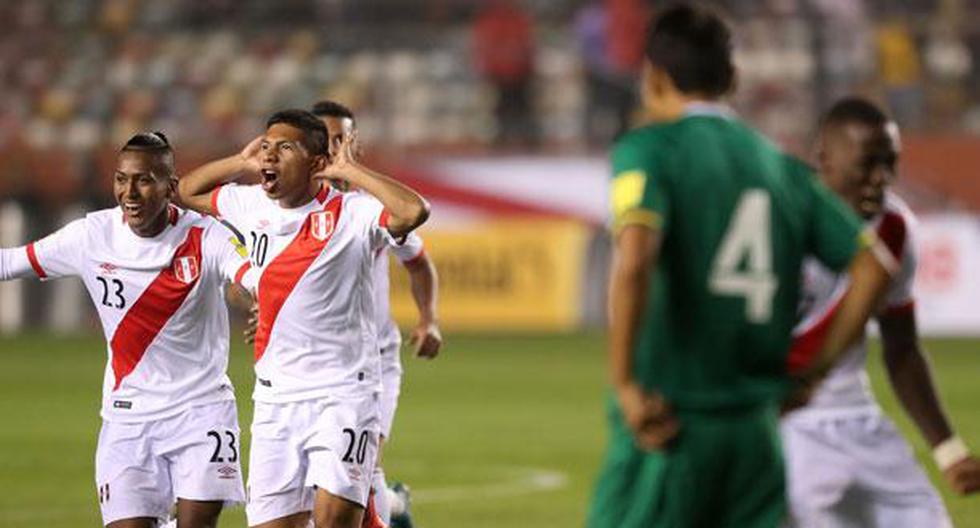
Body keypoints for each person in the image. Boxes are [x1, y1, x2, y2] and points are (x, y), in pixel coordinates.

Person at [587, 5, 894, 527]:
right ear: (731, 78)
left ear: (654, 77)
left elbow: (636, 255)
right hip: (756, 433)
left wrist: (626, 383)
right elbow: (875, 267)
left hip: (672, 422)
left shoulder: (648, 150)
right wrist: (813, 373)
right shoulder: (780, 166)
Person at [177, 109, 430, 528]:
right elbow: (187, 190)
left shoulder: (354, 213)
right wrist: (242, 162)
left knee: (333, 520)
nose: (270, 156)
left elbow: (412, 211)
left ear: (316, 164)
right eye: (266, 146)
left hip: (343, 393)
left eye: (284, 148)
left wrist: (351, 169)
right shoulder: (247, 202)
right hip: (276, 399)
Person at [0, 132, 252, 528]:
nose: (129, 192)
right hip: (127, 418)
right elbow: (12, 261)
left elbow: (252, 278)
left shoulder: (206, 236)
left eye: (144, 180)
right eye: (122, 179)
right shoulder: (91, 235)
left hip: (201, 411)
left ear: (171, 187)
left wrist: (254, 299)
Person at [782, 96, 980, 527]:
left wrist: (947, 449)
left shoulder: (895, 227)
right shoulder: (781, 222)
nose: (881, 179)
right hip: (783, 423)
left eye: (890, 164)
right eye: (868, 164)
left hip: (857, 418)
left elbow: (902, 346)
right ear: (825, 160)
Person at [310, 100, 442, 528]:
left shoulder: (374, 208)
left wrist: (428, 319)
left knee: (358, 469)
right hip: (309, 362)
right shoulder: (286, 209)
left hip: (373, 360)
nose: (334, 147)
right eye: (325, 138)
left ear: (354, 143)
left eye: (341, 138)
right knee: (325, 483)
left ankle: (386, 509)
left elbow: (418, 261)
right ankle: (395, 507)